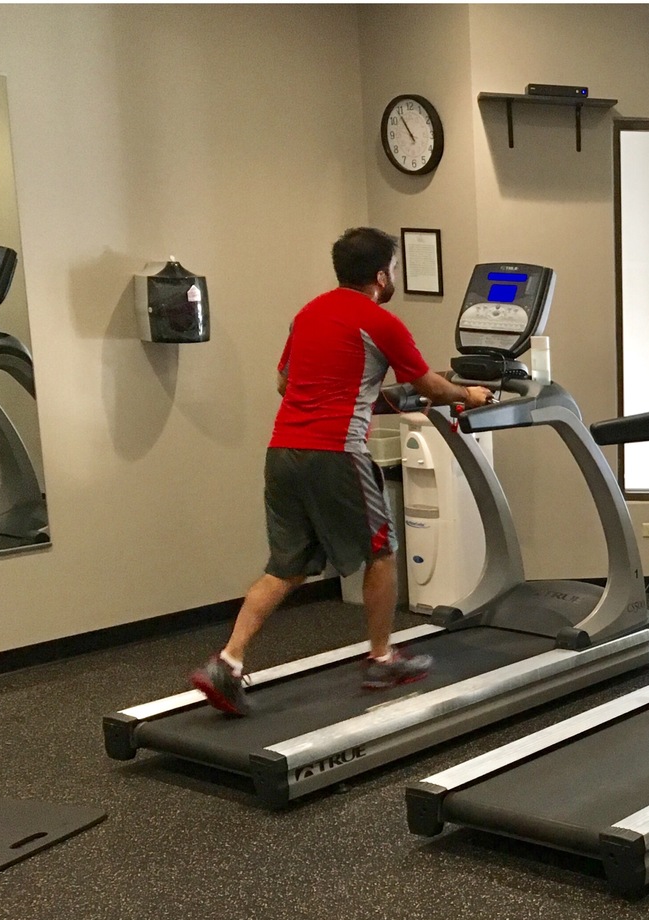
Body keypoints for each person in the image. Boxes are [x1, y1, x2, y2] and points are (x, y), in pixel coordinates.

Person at [189, 227, 494, 716]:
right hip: (336, 452)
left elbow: (286, 381)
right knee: (382, 550)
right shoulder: (379, 320)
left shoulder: (308, 313)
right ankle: (382, 657)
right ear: (380, 275)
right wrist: (469, 395)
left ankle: (227, 660)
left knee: (284, 567)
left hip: (283, 451)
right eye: (392, 270)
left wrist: (357, 396)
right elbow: (432, 387)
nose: (391, 278)